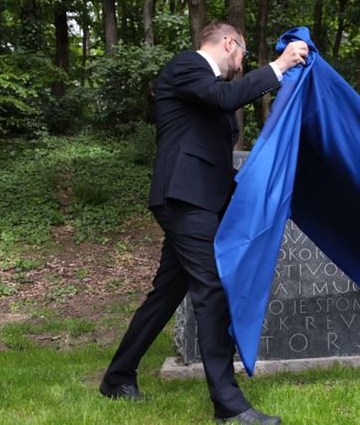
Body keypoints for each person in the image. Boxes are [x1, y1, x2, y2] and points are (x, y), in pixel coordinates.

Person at [99, 22, 308, 424]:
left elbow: (215, 139)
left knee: (165, 294)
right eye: (243, 55)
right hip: (184, 199)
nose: (241, 65)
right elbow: (224, 97)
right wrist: (279, 66)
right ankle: (228, 405)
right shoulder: (186, 66)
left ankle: (117, 377)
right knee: (211, 290)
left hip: (201, 201)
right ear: (229, 43)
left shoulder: (212, 91)